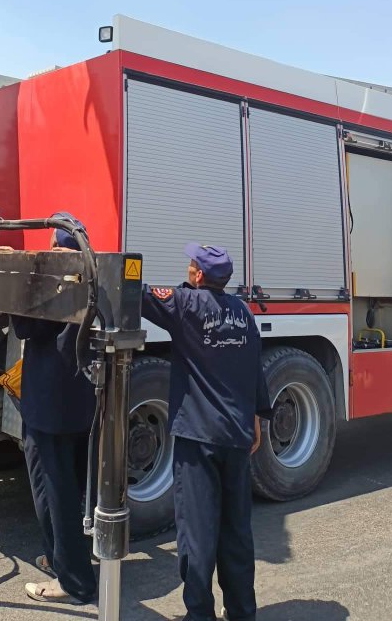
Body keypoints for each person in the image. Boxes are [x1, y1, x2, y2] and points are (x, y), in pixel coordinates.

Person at [142, 243, 272, 621]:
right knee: (235, 531)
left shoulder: (185, 304)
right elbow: (254, 371)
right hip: (236, 438)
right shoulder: (243, 314)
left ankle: (199, 615)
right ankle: (242, 612)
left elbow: (136, 292)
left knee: (196, 536)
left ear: (198, 274)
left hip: (198, 439)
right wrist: (257, 420)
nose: (187, 266)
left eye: (191, 263)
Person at [13, 213, 97, 606]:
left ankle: (73, 582)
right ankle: (62, 559)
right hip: (78, 402)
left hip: (49, 406)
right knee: (69, 488)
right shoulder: (93, 277)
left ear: (59, 246)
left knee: (53, 491)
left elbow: (28, 328)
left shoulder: (57, 280)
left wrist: (17, 289)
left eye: (52, 244)